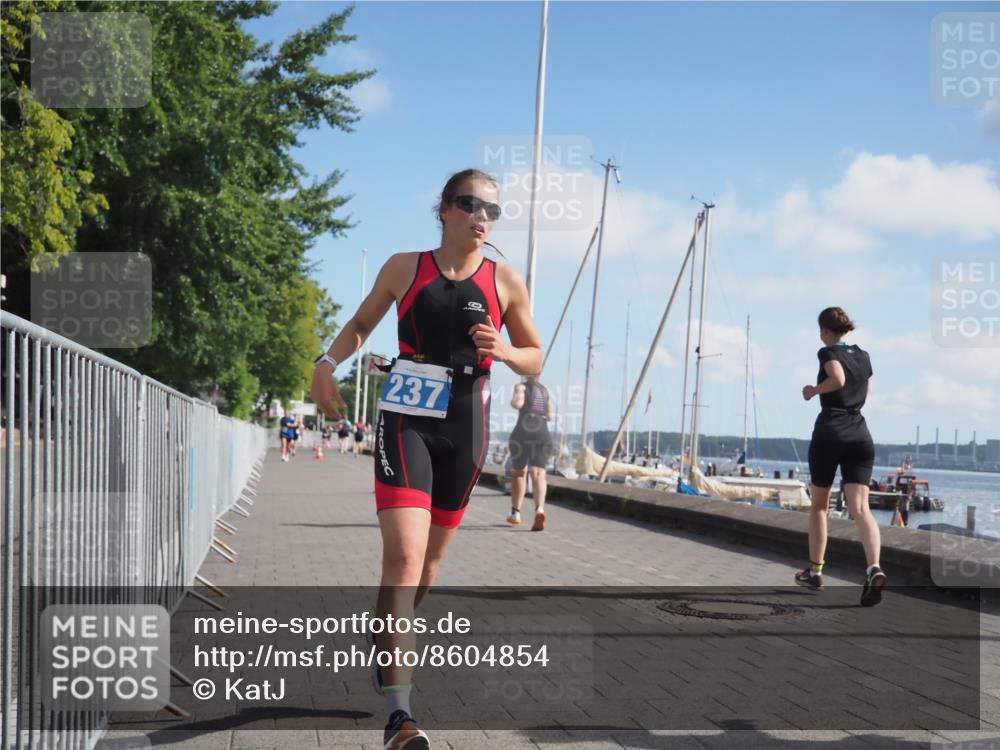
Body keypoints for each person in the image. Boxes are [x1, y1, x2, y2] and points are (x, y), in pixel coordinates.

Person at [310, 168, 542, 749]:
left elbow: (535, 355)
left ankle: (386, 633)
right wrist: (325, 364)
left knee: (428, 570)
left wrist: (508, 351)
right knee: (406, 559)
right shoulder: (403, 267)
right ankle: (400, 714)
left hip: (466, 424)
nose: (480, 216)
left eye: (491, 208)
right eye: (468, 203)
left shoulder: (506, 281)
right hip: (407, 416)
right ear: (443, 208)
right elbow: (362, 323)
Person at [796, 306, 886, 606]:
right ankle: (874, 568)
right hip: (860, 434)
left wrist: (813, 391)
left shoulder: (827, 353)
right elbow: (865, 390)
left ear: (825, 331)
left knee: (819, 507)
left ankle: (815, 571)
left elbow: (837, 379)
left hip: (830, 434)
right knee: (861, 509)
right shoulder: (863, 356)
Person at [506, 376, 554, 531]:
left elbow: (517, 403)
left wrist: (514, 401)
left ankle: (516, 513)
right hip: (542, 431)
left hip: (523, 430)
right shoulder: (545, 390)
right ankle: (539, 509)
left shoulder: (521, 386)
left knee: (519, 473)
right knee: (539, 473)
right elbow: (550, 416)